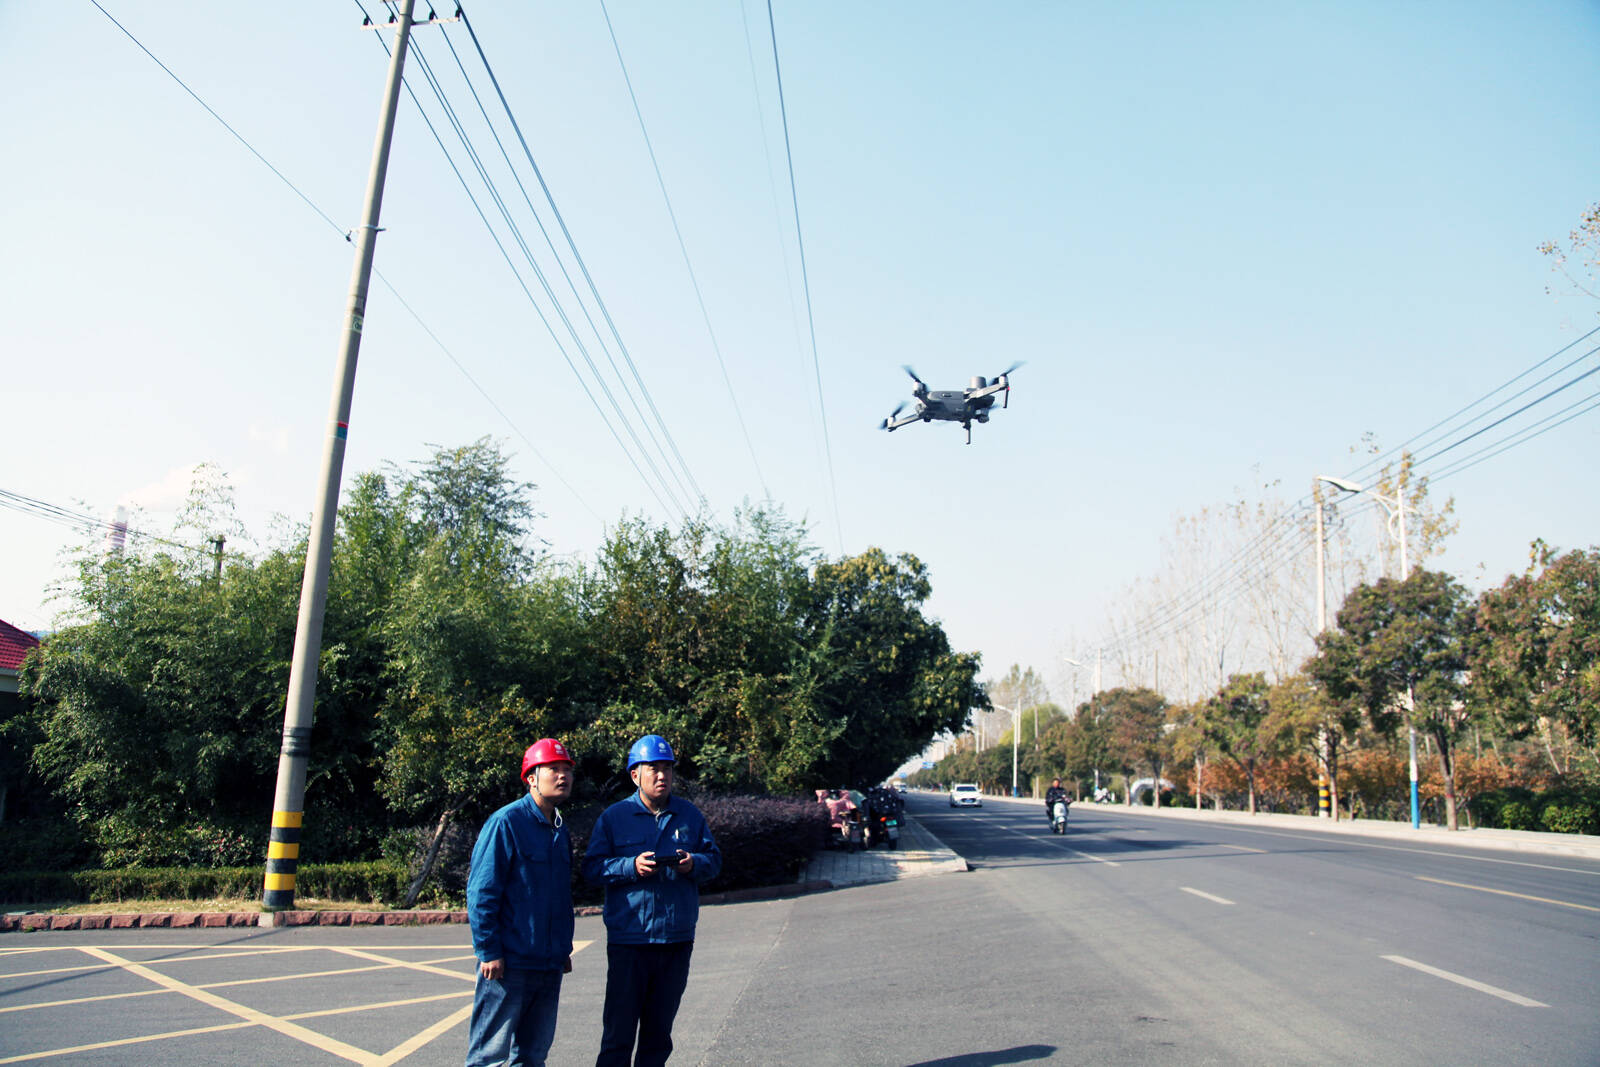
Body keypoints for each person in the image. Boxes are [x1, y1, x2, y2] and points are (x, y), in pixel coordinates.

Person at [583, 735, 722, 1067]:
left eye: (667, 769)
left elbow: (714, 860)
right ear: (635, 775)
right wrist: (630, 867)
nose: (662, 776)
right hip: (630, 942)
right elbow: (592, 868)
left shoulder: (689, 815)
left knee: (658, 1037)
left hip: (675, 941)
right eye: (654, 769)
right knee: (618, 1036)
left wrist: (694, 863)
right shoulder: (614, 818)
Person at [465, 738, 577, 1067]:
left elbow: (558, 897)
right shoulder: (506, 823)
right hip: (508, 965)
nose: (562, 776)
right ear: (531, 778)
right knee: (489, 1056)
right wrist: (488, 951)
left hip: (547, 965)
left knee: (532, 1057)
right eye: (553, 769)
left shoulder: (559, 828)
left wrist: (562, 950)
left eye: (567, 770)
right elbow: (482, 892)